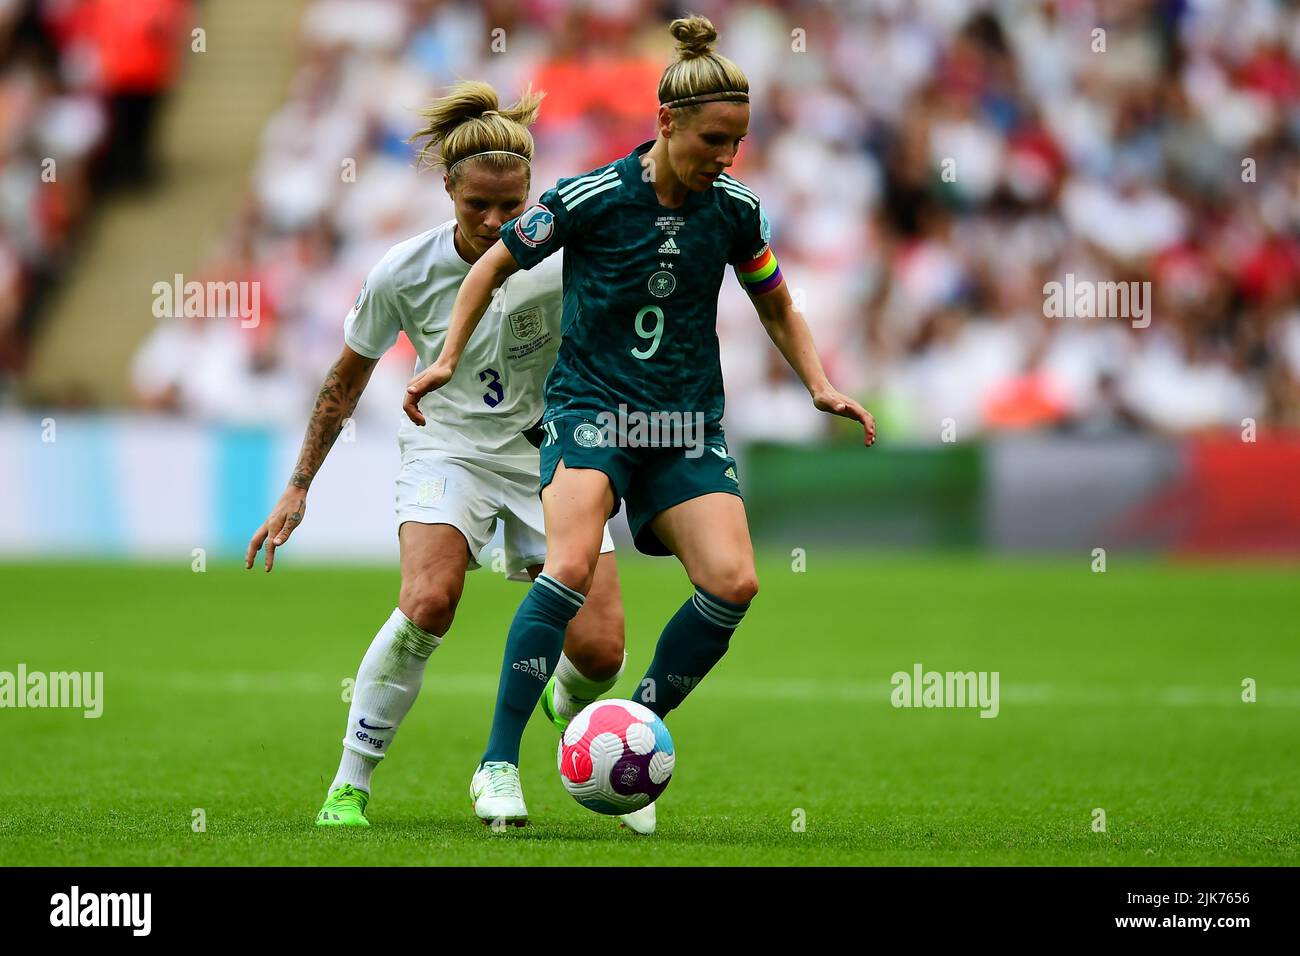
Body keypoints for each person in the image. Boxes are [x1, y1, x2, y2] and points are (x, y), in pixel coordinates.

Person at [404, 16, 876, 836]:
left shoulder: (734, 210)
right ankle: (496, 765)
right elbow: (491, 262)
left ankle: (632, 731)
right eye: (713, 140)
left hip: (685, 426)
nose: (726, 157)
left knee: (734, 584)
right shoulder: (589, 198)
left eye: (737, 141)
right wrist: (444, 356)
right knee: (571, 566)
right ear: (665, 122)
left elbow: (776, 301)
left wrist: (821, 384)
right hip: (591, 413)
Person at [245, 81, 626, 829]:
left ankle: (564, 702)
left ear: (531, 190)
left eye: (510, 208)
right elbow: (342, 382)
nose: (492, 222)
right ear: (447, 187)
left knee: (603, 651)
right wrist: (298, 487)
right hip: (447, 449)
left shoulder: (563, 258)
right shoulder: (403, 272)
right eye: (475, 205)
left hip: (549, 455)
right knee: (428, 602)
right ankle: (350, 782)